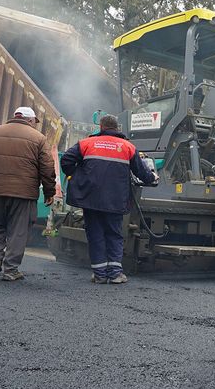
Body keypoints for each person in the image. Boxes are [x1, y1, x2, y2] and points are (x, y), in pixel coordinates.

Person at [60, 114, 157, 284]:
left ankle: (99, 274)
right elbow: (141, 172)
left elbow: (67, 159)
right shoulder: (128, 147)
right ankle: (115, 274)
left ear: (101, 127)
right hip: (115, 199)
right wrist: (152, 178)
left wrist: (77, 175)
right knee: (114, 233)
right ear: (117, 128)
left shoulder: (87, 143)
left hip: (90, 198)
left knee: (95, 233)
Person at [0, 106, 56, 281]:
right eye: (34, 122)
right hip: (23, 194)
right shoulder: (38, 138)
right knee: (18, 230)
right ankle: (10, 269)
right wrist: (49, 192)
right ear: (30, 120)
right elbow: (47, 168)